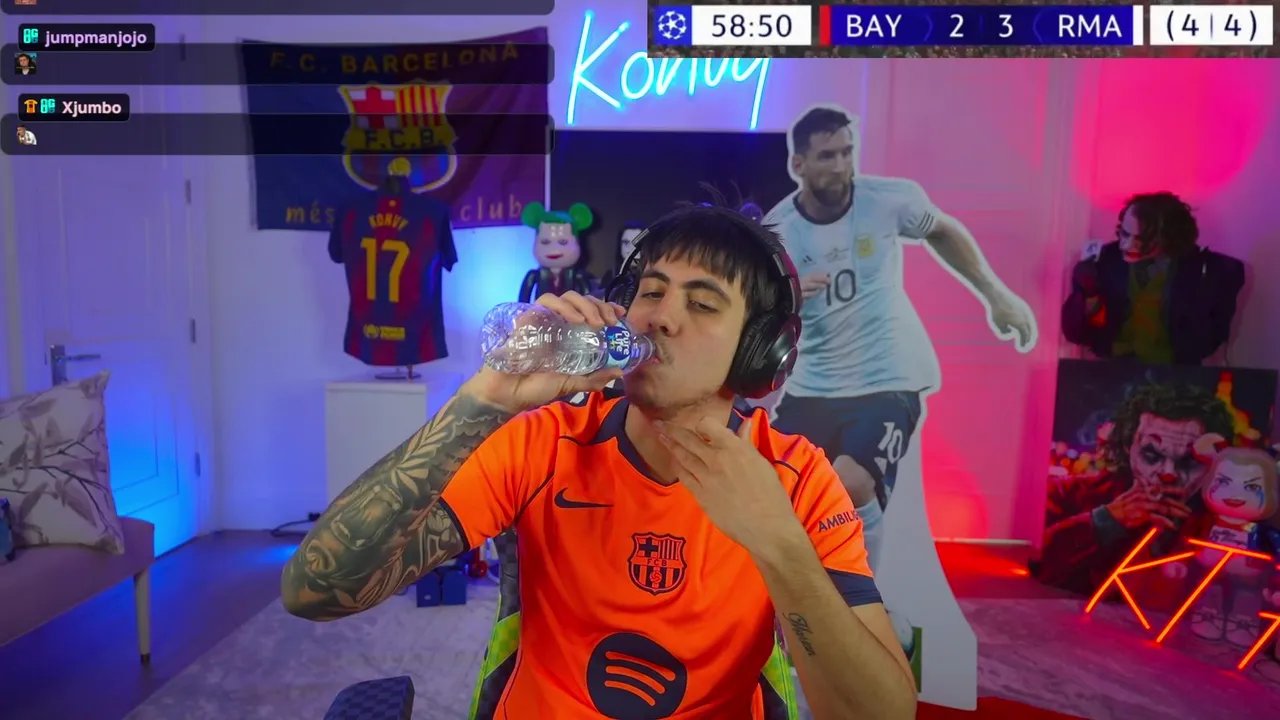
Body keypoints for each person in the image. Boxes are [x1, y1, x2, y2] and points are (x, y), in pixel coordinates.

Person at [282, 205, 917, 719]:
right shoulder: (542, 442)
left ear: (758, 352)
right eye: (651, 291)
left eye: (702, 304)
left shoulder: (797, 479)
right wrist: (485, 399)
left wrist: (779, 546)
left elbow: (881, 713)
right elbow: (314, 591)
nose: (661, 317)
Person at [764, 105, 1036, 572]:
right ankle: (797, 595)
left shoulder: (889, 200)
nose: (841, 166)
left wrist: (996, 295)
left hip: (886, 379)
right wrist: (788, 298)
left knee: (849, 485)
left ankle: (864, 594)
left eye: (847, 152)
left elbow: (943, 232)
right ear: (798, 164)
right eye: (827, 156)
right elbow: (759, 313)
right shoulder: (779, 230)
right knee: (773, 491)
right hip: (813, 387)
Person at [1036, 383, 1234, 595]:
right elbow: (1036, 566)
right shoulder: (1068, 493)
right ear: (1127, 446)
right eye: (1151, 454)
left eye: (1188, 461)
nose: (1168, 473)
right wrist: (1107, 520)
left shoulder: (1227, 520)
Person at [1061, 191, 1244, 365]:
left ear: (1169, 237)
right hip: (1111, 370)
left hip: (1175, 375)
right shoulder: (1103, 261)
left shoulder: (1214, 271)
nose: (1127, 245)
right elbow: (1079, 333)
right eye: (1124, 233)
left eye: (1143, 238)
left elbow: (1209, 339)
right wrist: (1089, 294)